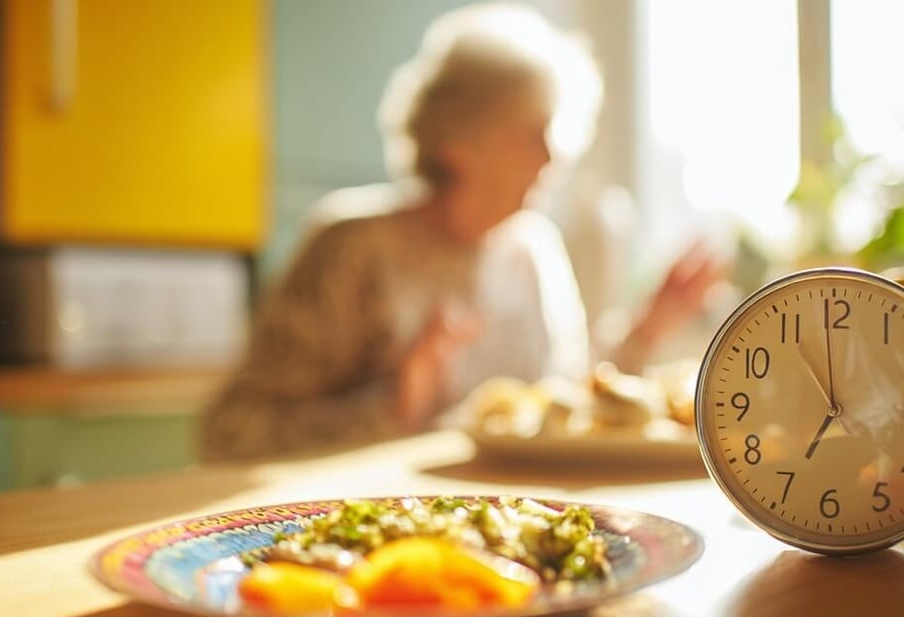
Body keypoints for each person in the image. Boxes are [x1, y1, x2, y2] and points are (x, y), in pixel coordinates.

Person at [199, 3, 718, 462]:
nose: (551, 156)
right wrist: (397, 405)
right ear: (455, 140)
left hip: (512, 526)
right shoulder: (352, 245)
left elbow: (563, 398)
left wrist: (646, 329)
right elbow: (233, 433)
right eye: (531, 134)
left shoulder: (533, 249)